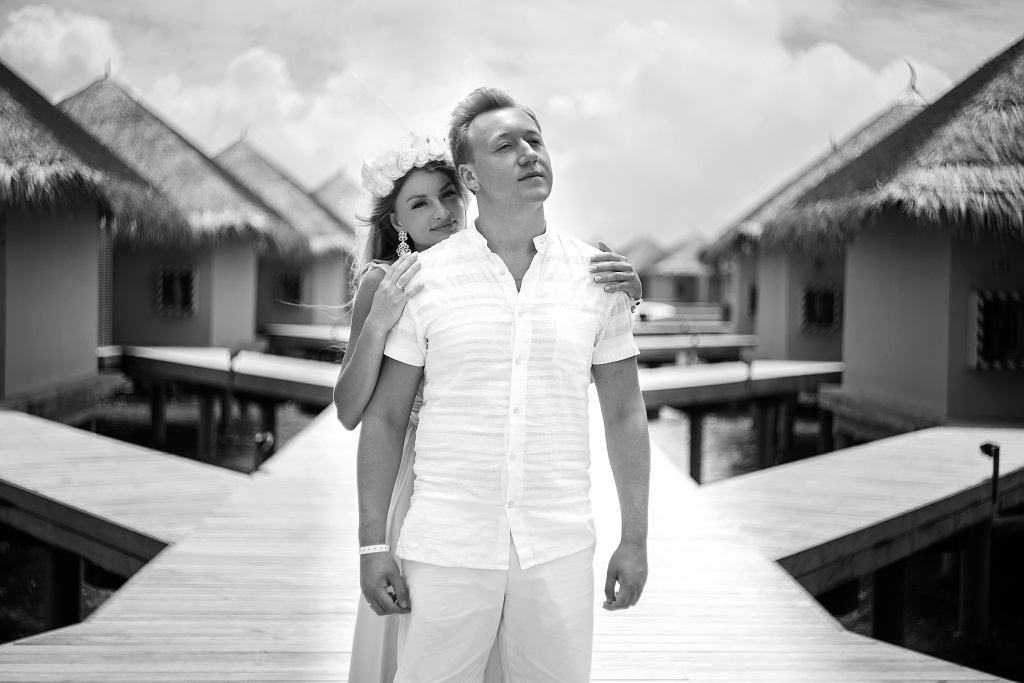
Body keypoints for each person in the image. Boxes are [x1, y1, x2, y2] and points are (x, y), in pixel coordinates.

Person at [356, 89, 651, 681]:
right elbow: (384, 418)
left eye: (534, 140)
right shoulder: (422, 281)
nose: (528, 153)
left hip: (559, 546)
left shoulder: (598, 279)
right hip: (446, 546)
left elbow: (625, 414)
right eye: (505, 146)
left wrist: (635, 539)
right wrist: (371, 545)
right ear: (469, 176)